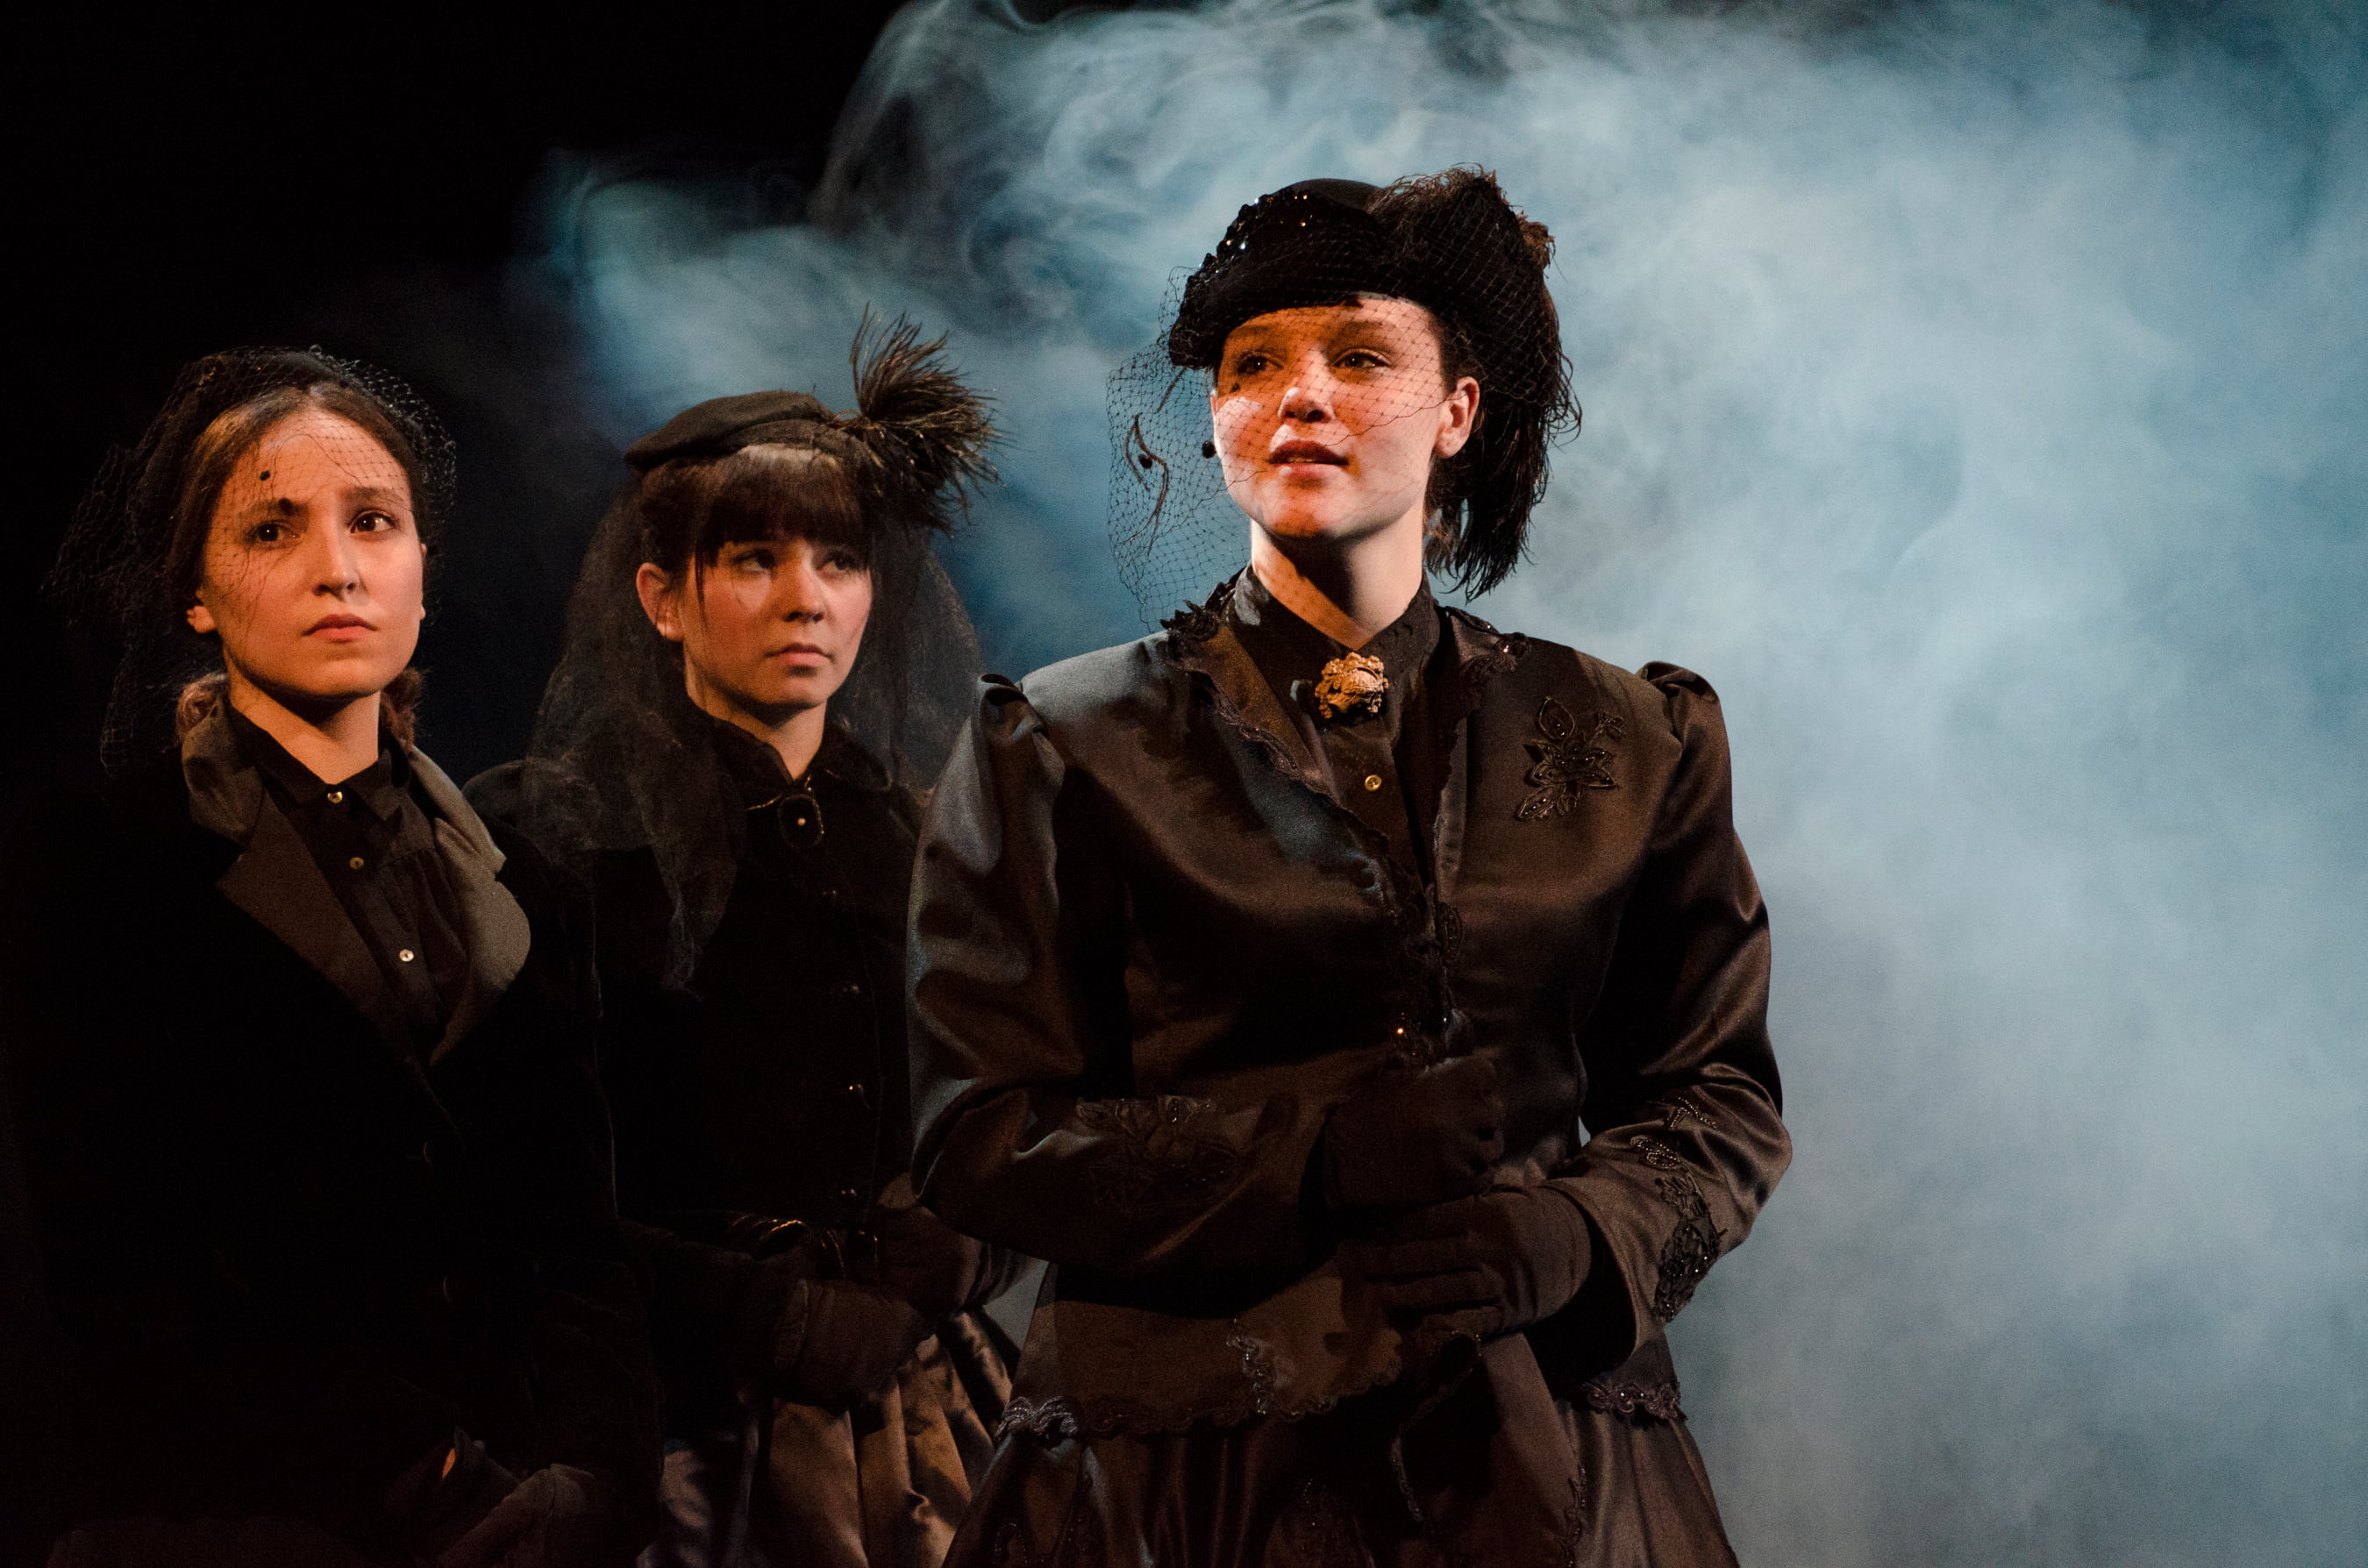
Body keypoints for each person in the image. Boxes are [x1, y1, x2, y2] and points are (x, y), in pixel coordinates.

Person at [908, 170, 1791, 1566]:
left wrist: (1581, 1238)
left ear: (1457, 413)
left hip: (1547, 1457)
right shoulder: (1063, 743)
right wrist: (1311, 1163)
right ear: (1214, 420)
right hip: (1178, 1482)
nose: (1298, 395)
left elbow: (1716, 1089)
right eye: (1255, 364)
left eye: (1360, 357)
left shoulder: (1630, 735)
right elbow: (978, 1130)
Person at [3, 348, 662, 1566]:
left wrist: (605, 1481)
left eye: (374, 522)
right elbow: (108, 1259)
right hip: (228, 1520)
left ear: (422, 576)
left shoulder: (527, 886)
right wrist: (426, 1475)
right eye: (272, 528)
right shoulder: (100, 861)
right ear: (194, 592)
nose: (338, 566)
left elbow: (579, 1237)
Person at [469, 318, 1016, 1568]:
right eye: (755, 557)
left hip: (930, 1420)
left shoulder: (928, 840)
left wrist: (974, 1240)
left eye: (839, 559)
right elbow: (519, 1186)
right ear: (663, 596)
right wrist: (763, 1309)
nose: (806, 598)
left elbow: (1018, 1108)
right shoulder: (555, 833)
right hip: (679, 1434)